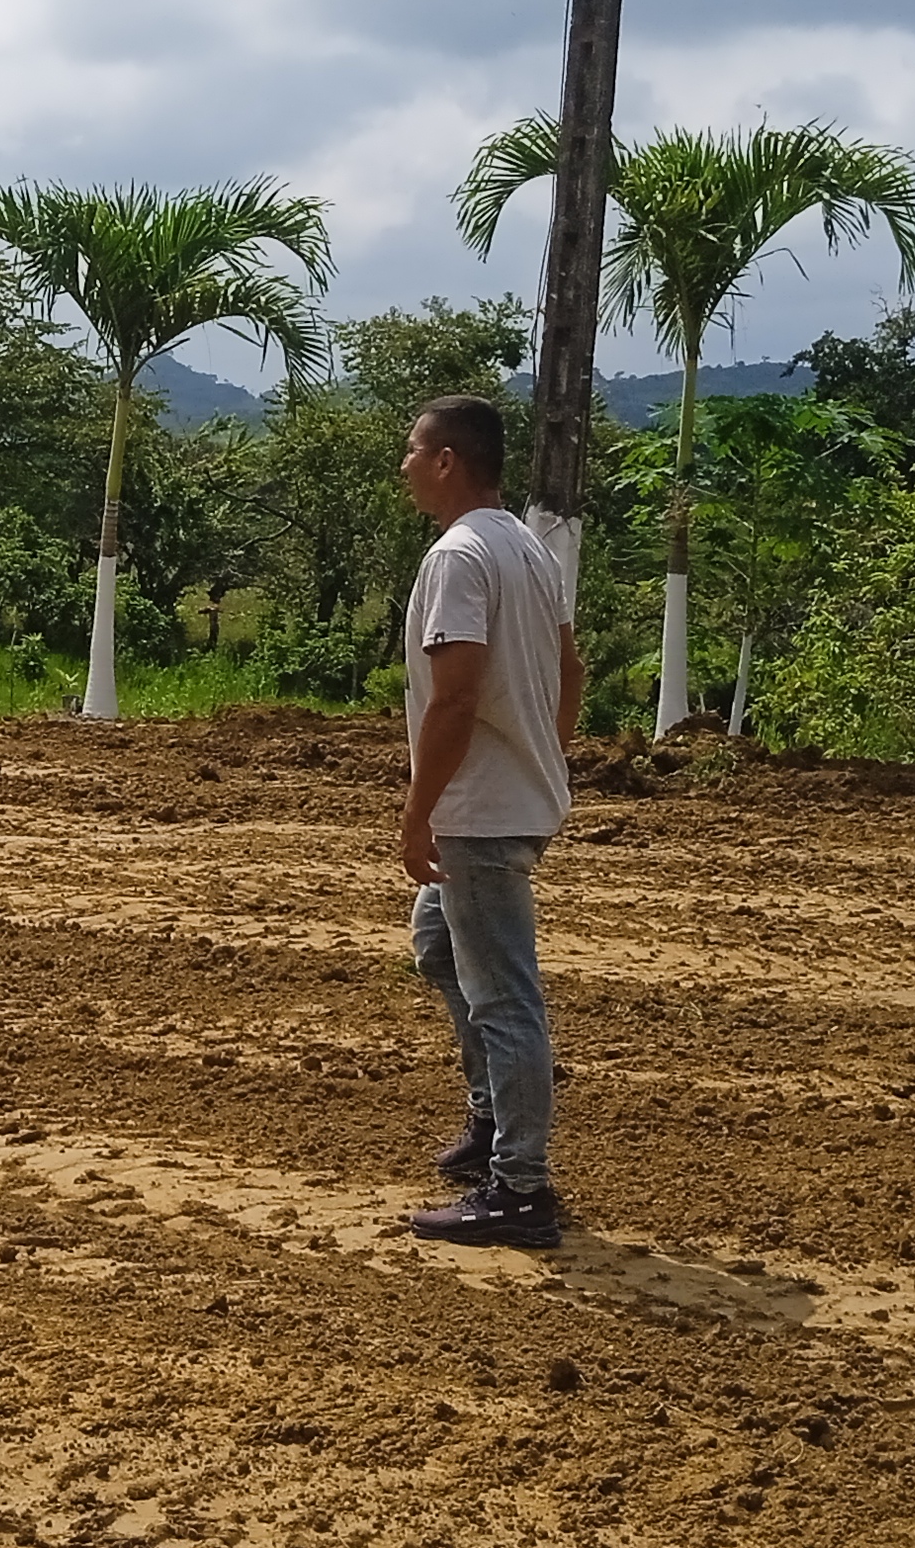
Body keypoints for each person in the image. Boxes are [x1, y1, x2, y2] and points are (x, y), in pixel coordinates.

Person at [392, 393, 581, 1249]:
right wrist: (546, 758)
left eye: (412, 450)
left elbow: (455, 697)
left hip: (478, 813)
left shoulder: (458, 555)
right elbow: (570, 670)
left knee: (505, 995)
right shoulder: (530, 549)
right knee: (438, 946)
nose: (404, 466)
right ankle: (491, 1121)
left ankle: (521, 1189)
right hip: (510, 799)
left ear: (446, 461)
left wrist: (418, 812)